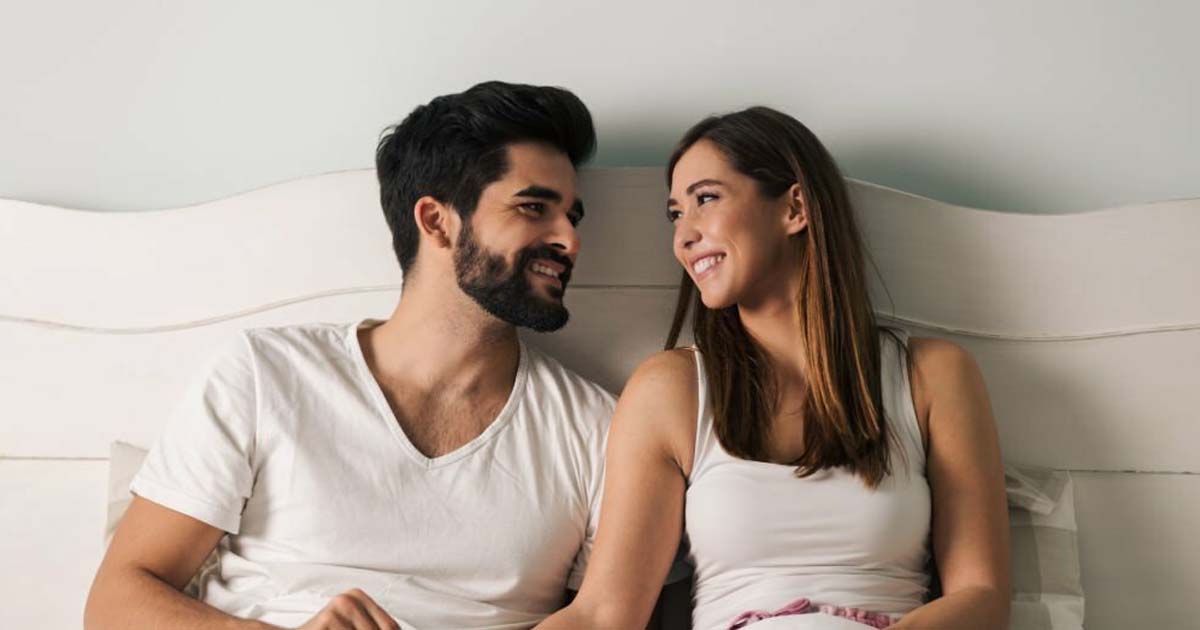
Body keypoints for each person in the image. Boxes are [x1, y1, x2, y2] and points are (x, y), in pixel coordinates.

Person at [86, 81, 627, 630]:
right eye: (534, 207)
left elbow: (614, 616)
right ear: (437, 221)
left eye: (572, 216)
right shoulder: (265, 374)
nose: (570, 240)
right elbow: (115, 605)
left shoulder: (599, 428)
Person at [537, 107, 1011, 630]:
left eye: (706, 199)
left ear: (795, 208)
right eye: (675, 214)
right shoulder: (670, 391)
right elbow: (604, 614)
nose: (684, 235)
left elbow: (982, 596)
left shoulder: (932, 376)